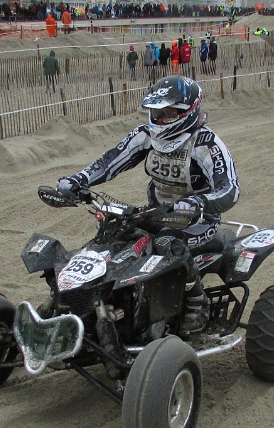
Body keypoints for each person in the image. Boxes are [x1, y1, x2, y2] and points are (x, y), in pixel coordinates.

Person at [54, 76, 239, 335]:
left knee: (166, 244)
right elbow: (110, 161)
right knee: (115, 235)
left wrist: (197, 203)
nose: (161, 119)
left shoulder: (207, 144)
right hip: (155, 214)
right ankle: (97, 304)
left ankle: (198, 305)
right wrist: (78, 180)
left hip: (198, 221)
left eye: (168, 113)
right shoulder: (145, 135)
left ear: (189, 111)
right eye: (156, 112)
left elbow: (230, 189)